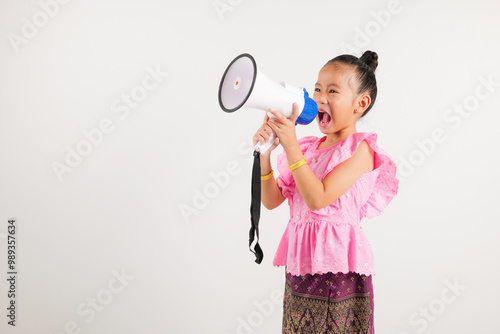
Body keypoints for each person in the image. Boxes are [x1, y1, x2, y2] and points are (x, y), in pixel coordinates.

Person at [252, 50, 399, 333]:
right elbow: (271, 201)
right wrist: (265, 154)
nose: (320, 98)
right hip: (302, 267)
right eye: (317, 88)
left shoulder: (360, 150)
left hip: (337, 269)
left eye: (332, 91)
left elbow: (318, 198)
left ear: (361, 104)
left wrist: (291, 146)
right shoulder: (308, 149)